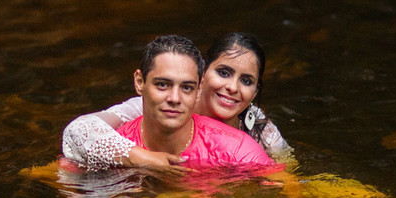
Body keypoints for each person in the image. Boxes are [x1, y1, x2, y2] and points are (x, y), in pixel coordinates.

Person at [62, 32, 291, 172]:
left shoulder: (259, 126)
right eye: (223, 72)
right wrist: (144, 158)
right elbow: (78, 131)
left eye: (246, 81)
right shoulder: (155, 106)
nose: (232, 87)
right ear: (202, 76)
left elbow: (286, 173)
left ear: (255, 91)